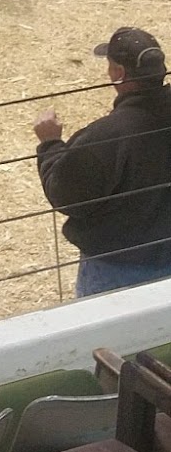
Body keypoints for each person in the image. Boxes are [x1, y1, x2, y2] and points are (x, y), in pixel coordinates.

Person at [34, 27, 171, 298]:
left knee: (108, 338)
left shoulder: (107, 136)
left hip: (117, 265)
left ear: (118, 73)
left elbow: (67, 196)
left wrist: (50, 144)